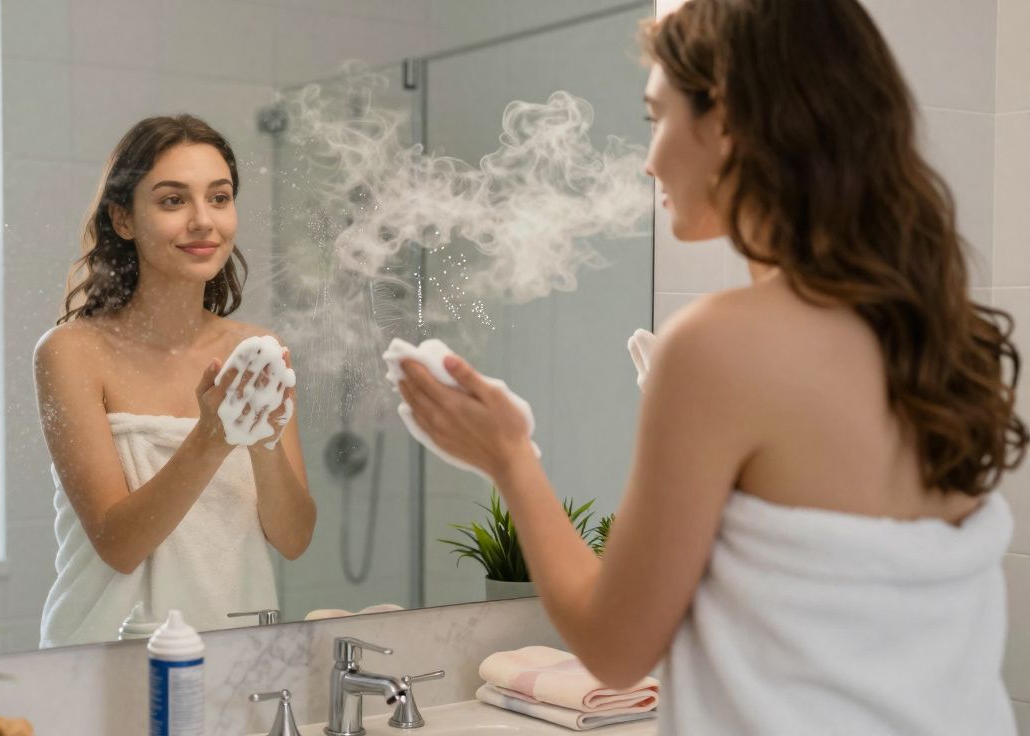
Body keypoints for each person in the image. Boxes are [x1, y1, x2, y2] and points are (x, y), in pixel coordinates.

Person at [396, 1, 1027, 733]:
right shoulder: (936, 329)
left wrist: (508, 457)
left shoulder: (719, 343)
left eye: (656, 116)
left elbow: (617, 647)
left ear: (725, 119)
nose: (649, 156)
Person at [35, 115, 315, 646]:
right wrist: (212, 438)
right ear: (123, 219)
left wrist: (264, 443)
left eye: (219, 197)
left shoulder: (255, 350)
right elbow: (119, 545)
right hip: (106, 661)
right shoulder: (72, 352)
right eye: (172, 201)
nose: (203, 221)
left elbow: (294, 538)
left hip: (235, 659)